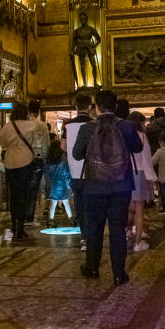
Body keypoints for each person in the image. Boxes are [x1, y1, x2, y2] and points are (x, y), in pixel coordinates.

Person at [72, 89, 143, 285]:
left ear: (96, 107)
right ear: (116, 106)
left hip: (94, 187)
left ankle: (92, 267)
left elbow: (77, 154)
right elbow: (138, 148)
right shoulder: (127, 126)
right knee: (118, 230)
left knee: (94, 229)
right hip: (121, 186)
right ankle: (119, 273)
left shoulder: (86, 128)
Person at [0, 102, 36, 238]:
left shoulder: (7, 127)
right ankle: (20, 225)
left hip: (10, 163)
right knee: (24, 195)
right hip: (25, 161)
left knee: (13, 195)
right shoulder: (31, 125)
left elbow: (3, 143)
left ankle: (13, 223)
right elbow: (34, 142)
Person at [61, 92, 92, 249]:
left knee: (79, 203)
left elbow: (63, 146)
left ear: (75, 107)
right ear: (90, 106)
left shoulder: (68, 125)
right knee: (92, 204)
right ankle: (92, 235)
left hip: (75, 171)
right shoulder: (94, 124)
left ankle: (83, 236)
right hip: (93, 171)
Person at [127, 110, 157, 251]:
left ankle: (126, 232)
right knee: (139, 209)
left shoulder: (123, 135)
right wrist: (152, 179)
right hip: (139, 173)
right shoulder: (142, 137)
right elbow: (146, 160)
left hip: (124, 174)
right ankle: (138, 242)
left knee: (128, 207)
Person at [26, 99, 50, 225]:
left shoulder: (22, 124)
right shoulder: (42, 125)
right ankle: (29, 217)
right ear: (38, 111)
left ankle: (22, 216)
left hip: (22, 158)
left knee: (24, 187)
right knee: (34, 188)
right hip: (38, 159)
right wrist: (45, 158)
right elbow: (46, 144)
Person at [45, 140, 73, 225]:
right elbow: (67, 174)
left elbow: (46, 174)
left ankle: (51, 219)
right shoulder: (63, 160)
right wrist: (69, 186)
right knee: (65, 202)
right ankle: (70, 218)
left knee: (53, 203)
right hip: (62, 186)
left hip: (52, 186)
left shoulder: (48, 160)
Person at [72, 11, 101, 87]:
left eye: (84, 18)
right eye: (81, 19)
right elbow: (74, 42)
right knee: (82, 66)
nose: (83, 20)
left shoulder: (92, 29)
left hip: (89, 47)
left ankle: (95, 82)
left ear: (86, 19)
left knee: (94, 65)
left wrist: (94, 45)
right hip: (81, 48)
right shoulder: (77, 31)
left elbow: (99, 39)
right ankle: (84, 83)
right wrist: (72, 50)